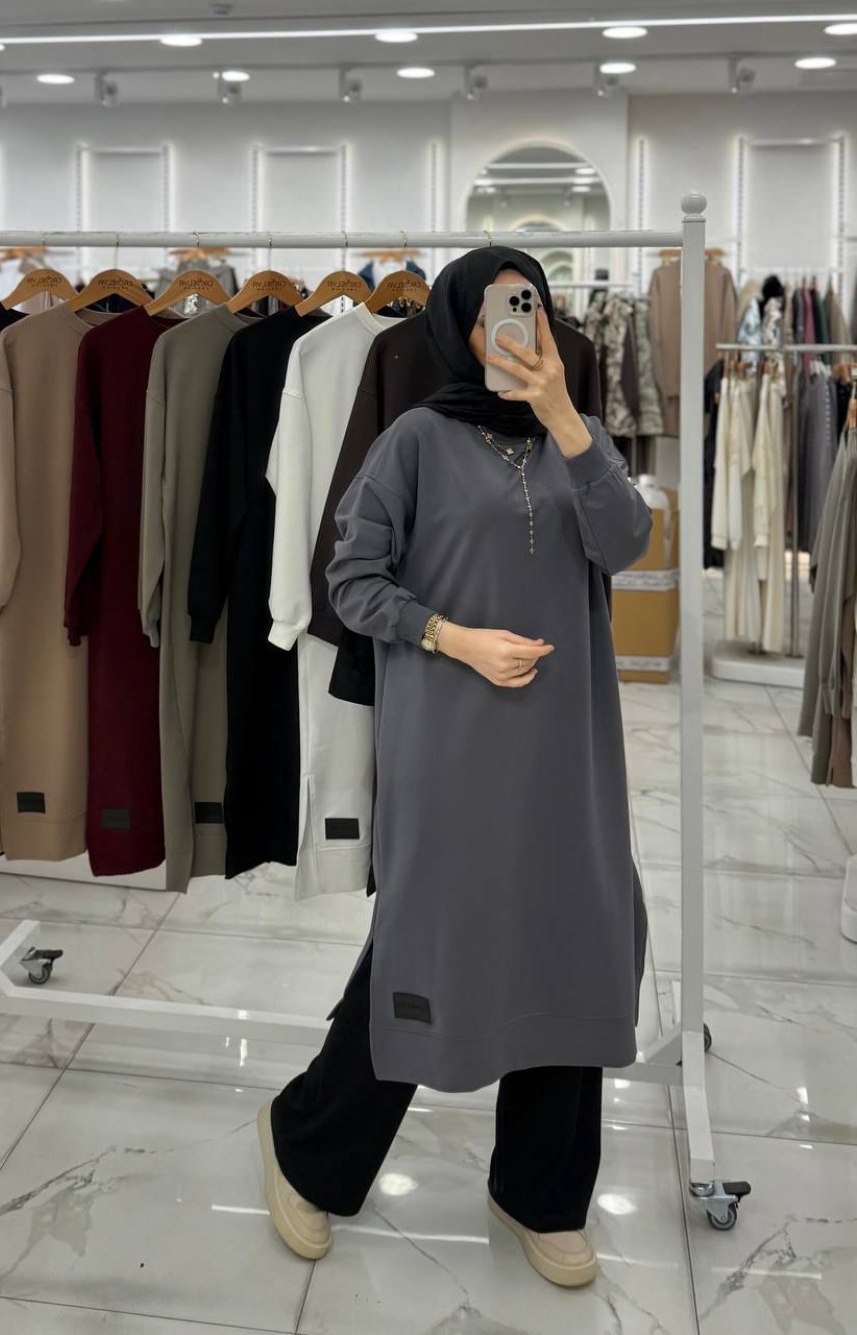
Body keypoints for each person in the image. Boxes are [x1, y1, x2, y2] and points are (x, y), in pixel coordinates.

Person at [257, 247, 652, 1289]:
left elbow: (626, 543)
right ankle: (307, 1147)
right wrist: (451, 637)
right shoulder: (415, 440)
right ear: (459, 329)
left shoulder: (579, 438)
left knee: (574, 939)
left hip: (566, 747)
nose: (520, 326)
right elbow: (349, 580)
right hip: (449, 740)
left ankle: (541, 1190)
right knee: (427, 946)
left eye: (534, 306)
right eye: (498, 310)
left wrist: (566, 418)